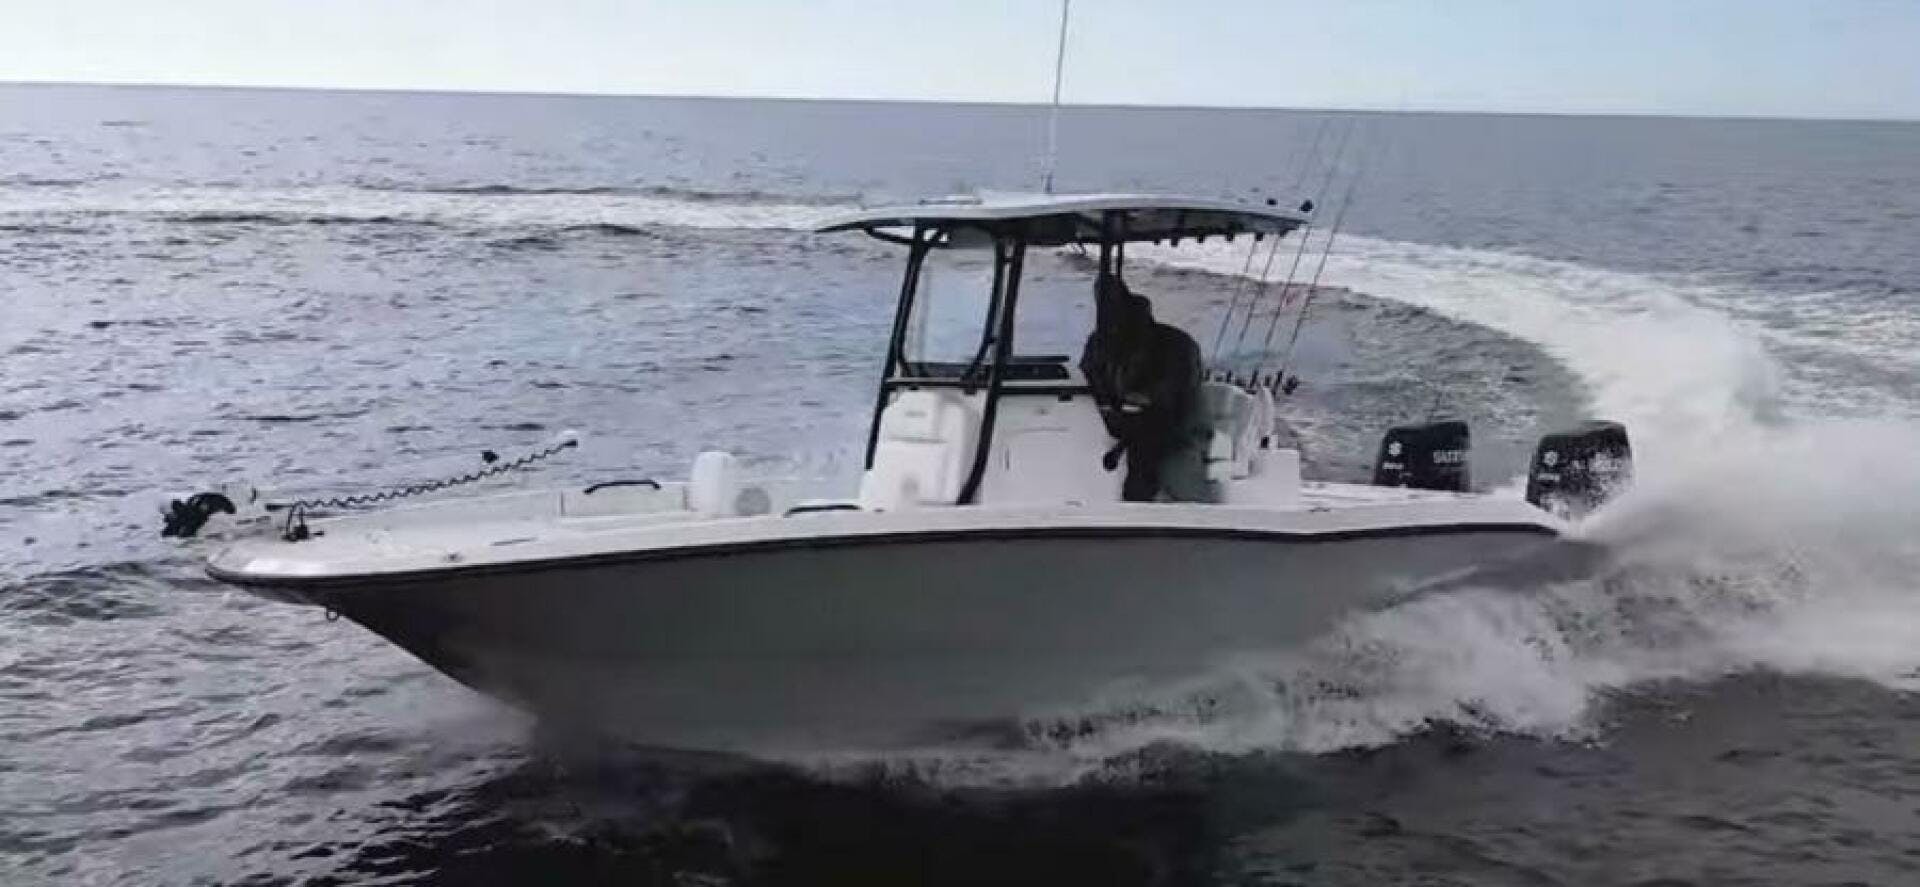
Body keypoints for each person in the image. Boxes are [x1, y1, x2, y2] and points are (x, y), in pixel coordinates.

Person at [1080, 273, 1213, 502]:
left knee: (1159, 463)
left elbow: (1175, 395)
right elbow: (1088, 376)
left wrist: (1141, 399)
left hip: (1175, 429)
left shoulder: (1174, 345)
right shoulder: (1100, 342)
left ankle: (1151, 509)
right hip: (1115, 427)